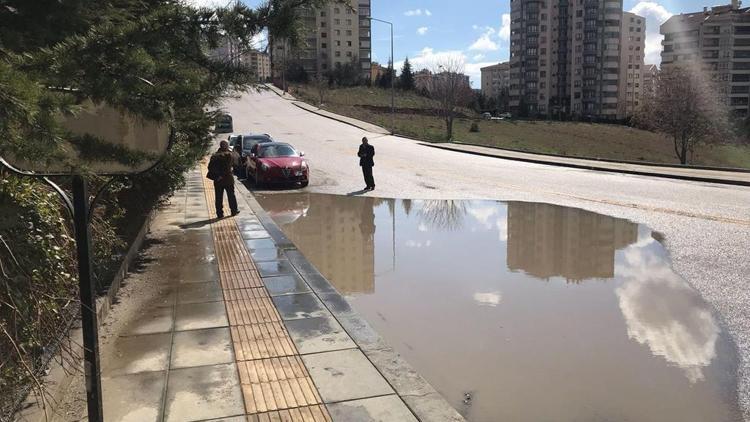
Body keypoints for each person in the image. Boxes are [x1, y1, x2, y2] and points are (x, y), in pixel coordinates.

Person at [208, 141, 239, 218]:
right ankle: (234, 211)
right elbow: (234, 165)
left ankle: (219, 214)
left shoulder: (214, 155)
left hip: (217, 180)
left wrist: (217, 176)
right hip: (228, 179)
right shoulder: (229, 155)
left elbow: (209, 167)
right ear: (226, 146)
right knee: (231, 196)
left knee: (218, 197)